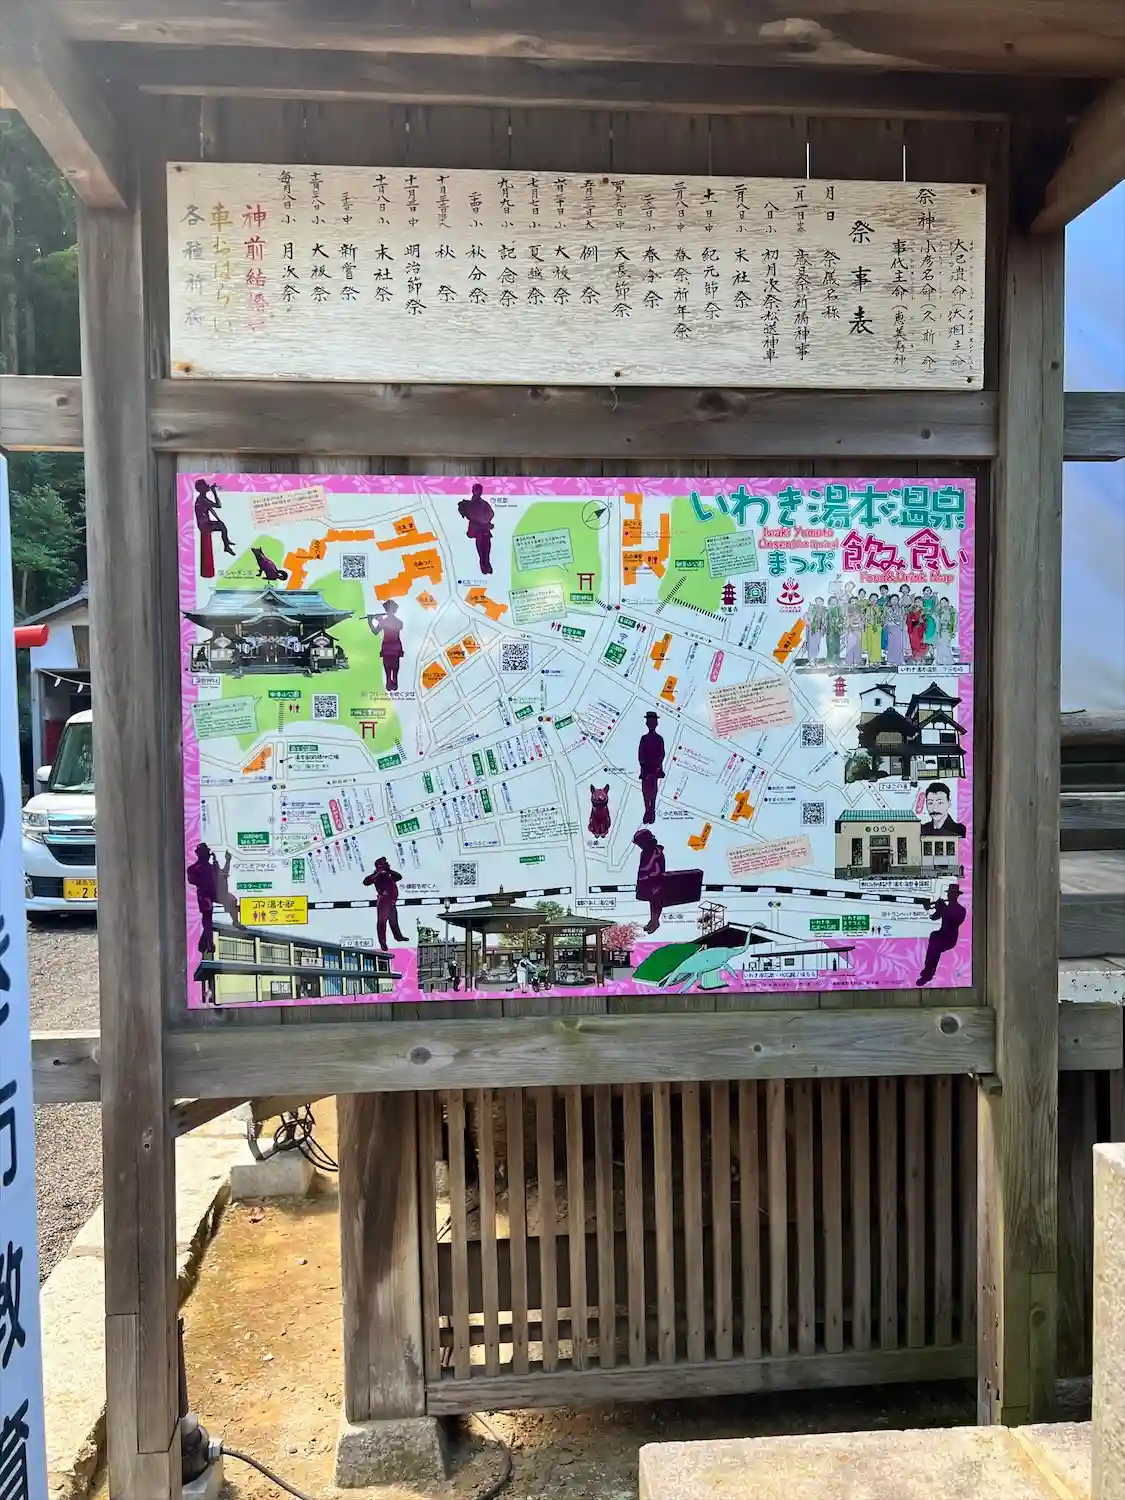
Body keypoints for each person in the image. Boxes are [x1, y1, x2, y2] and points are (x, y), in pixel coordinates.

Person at [918, 882, 966, 985]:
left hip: (950, 939)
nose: (949, 896)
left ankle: (928, 974)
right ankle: (928, 972)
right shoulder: (945, 907)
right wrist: (929, 908)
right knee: (934, 937)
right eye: (949, 893)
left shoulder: (961, 909)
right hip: (941, 935)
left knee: (935, 942)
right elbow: (933, 917)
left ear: (956, 895)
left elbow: (955, 922)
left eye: (952, 894)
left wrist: (944, 909)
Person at [362, 855, 407, 949]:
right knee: (382, 922)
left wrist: (388, 871)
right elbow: (366, 882)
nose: (387, 865)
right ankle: (382, 942)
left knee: (393, 920)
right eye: (385, 864)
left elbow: (399, 877)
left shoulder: (388, 874)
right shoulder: (376, 876)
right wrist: (379, 872)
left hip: (391, 901)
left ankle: (398, 936)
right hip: (383, 901)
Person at [186, 842, 220, 954]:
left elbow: (218, 876)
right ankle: (208, 944)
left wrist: (215, 862)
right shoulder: (194, 868)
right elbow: (192, 880)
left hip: (212, 894)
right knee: (207, 920)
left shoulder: (210, 867)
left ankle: (204, 944)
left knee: (207, 920)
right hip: (204, 896)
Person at [633, 828, 667, 935]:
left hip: (654, 882)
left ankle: (654, 921)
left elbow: (652, 868)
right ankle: (654, 920)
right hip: (650, 881)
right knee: (653, 900)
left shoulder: (655, 852)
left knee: (655, 899)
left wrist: (646, 876)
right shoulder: (648, 852)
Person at [367, 598, 405, 691]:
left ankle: (389, 684)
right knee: (395, 668)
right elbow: (398, 626)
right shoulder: (399, 621)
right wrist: (381, 621)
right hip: (396, 648)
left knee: (388, 669)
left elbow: (375, 632)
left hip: (387, 648)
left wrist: (370, 621)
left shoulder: (384, 621)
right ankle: (394, 684)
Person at [458, 482, 495, 574]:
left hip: (484, 528)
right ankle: (484, 566)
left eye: (480, 490)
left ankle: (487, 565)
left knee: (487, 548)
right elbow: (469, 514)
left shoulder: (484, 503)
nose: (479, 492)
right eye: (477, 490)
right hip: (477, 529)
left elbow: (490, 513)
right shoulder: (469, 504)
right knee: (481, 549)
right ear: (473, 491)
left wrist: (486, 521)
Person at [193, 479, 237, 557]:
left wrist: (219, 520)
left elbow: (212, 510)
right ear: (201, 489)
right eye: (205, 485)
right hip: (204, 525)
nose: (207, 485)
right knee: (221, 526)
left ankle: (226, 544)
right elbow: (218, 505)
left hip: (205, 523)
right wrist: (214, 492)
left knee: (222, 525)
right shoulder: (202, 500)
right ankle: (226, 545)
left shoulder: (203, 499)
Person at [638, 711, 665, 825]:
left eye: (653, 722)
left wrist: (657, 766)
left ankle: (652, 811)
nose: (651, 724)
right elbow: (640, 754)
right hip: (645, 769)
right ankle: (647, 811)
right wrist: (644, 764)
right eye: (649, 722)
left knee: (653, 792)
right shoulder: (644, 738)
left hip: (655, 769)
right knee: (645, 791)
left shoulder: (659, 739)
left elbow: (661, 754)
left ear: (656, 724)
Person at [883, 594, 906, 668]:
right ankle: (891, 660)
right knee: (891, 645)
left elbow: (903, 618)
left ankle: (899, 660)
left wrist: (902, 627)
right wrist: (885, 625)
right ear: (890, 600)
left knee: (899, 645)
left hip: (898, 628)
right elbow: (884, 618)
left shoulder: (901, 609)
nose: (894, 601)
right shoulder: (887, 609)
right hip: (890, 628)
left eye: (896, 599)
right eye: (893, 599)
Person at [934, 596, 958, 666]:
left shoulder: (952, 611)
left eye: (944, 602)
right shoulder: (940, 611)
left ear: (948, 602)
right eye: (941, 603)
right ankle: (940, 660)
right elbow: (937, 620)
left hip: (948, 631)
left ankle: (948, 660)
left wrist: (953, 632)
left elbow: (954, 623)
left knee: (946, 646)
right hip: (941, 631)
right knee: (940, 646)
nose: (943, 604)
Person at [805, 597, 827, 664]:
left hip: (819, 629)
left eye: (820, 602)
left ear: (823, 603)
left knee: (817, 644)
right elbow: (808, 619)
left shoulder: (824, 610)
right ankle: (811, 660)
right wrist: (810, 613)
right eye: (817, 601)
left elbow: (825, 620)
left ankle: (814, 658)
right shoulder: (812, 609)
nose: (818, 603)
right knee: (811, 644)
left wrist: (824, 626)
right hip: (812, 629)